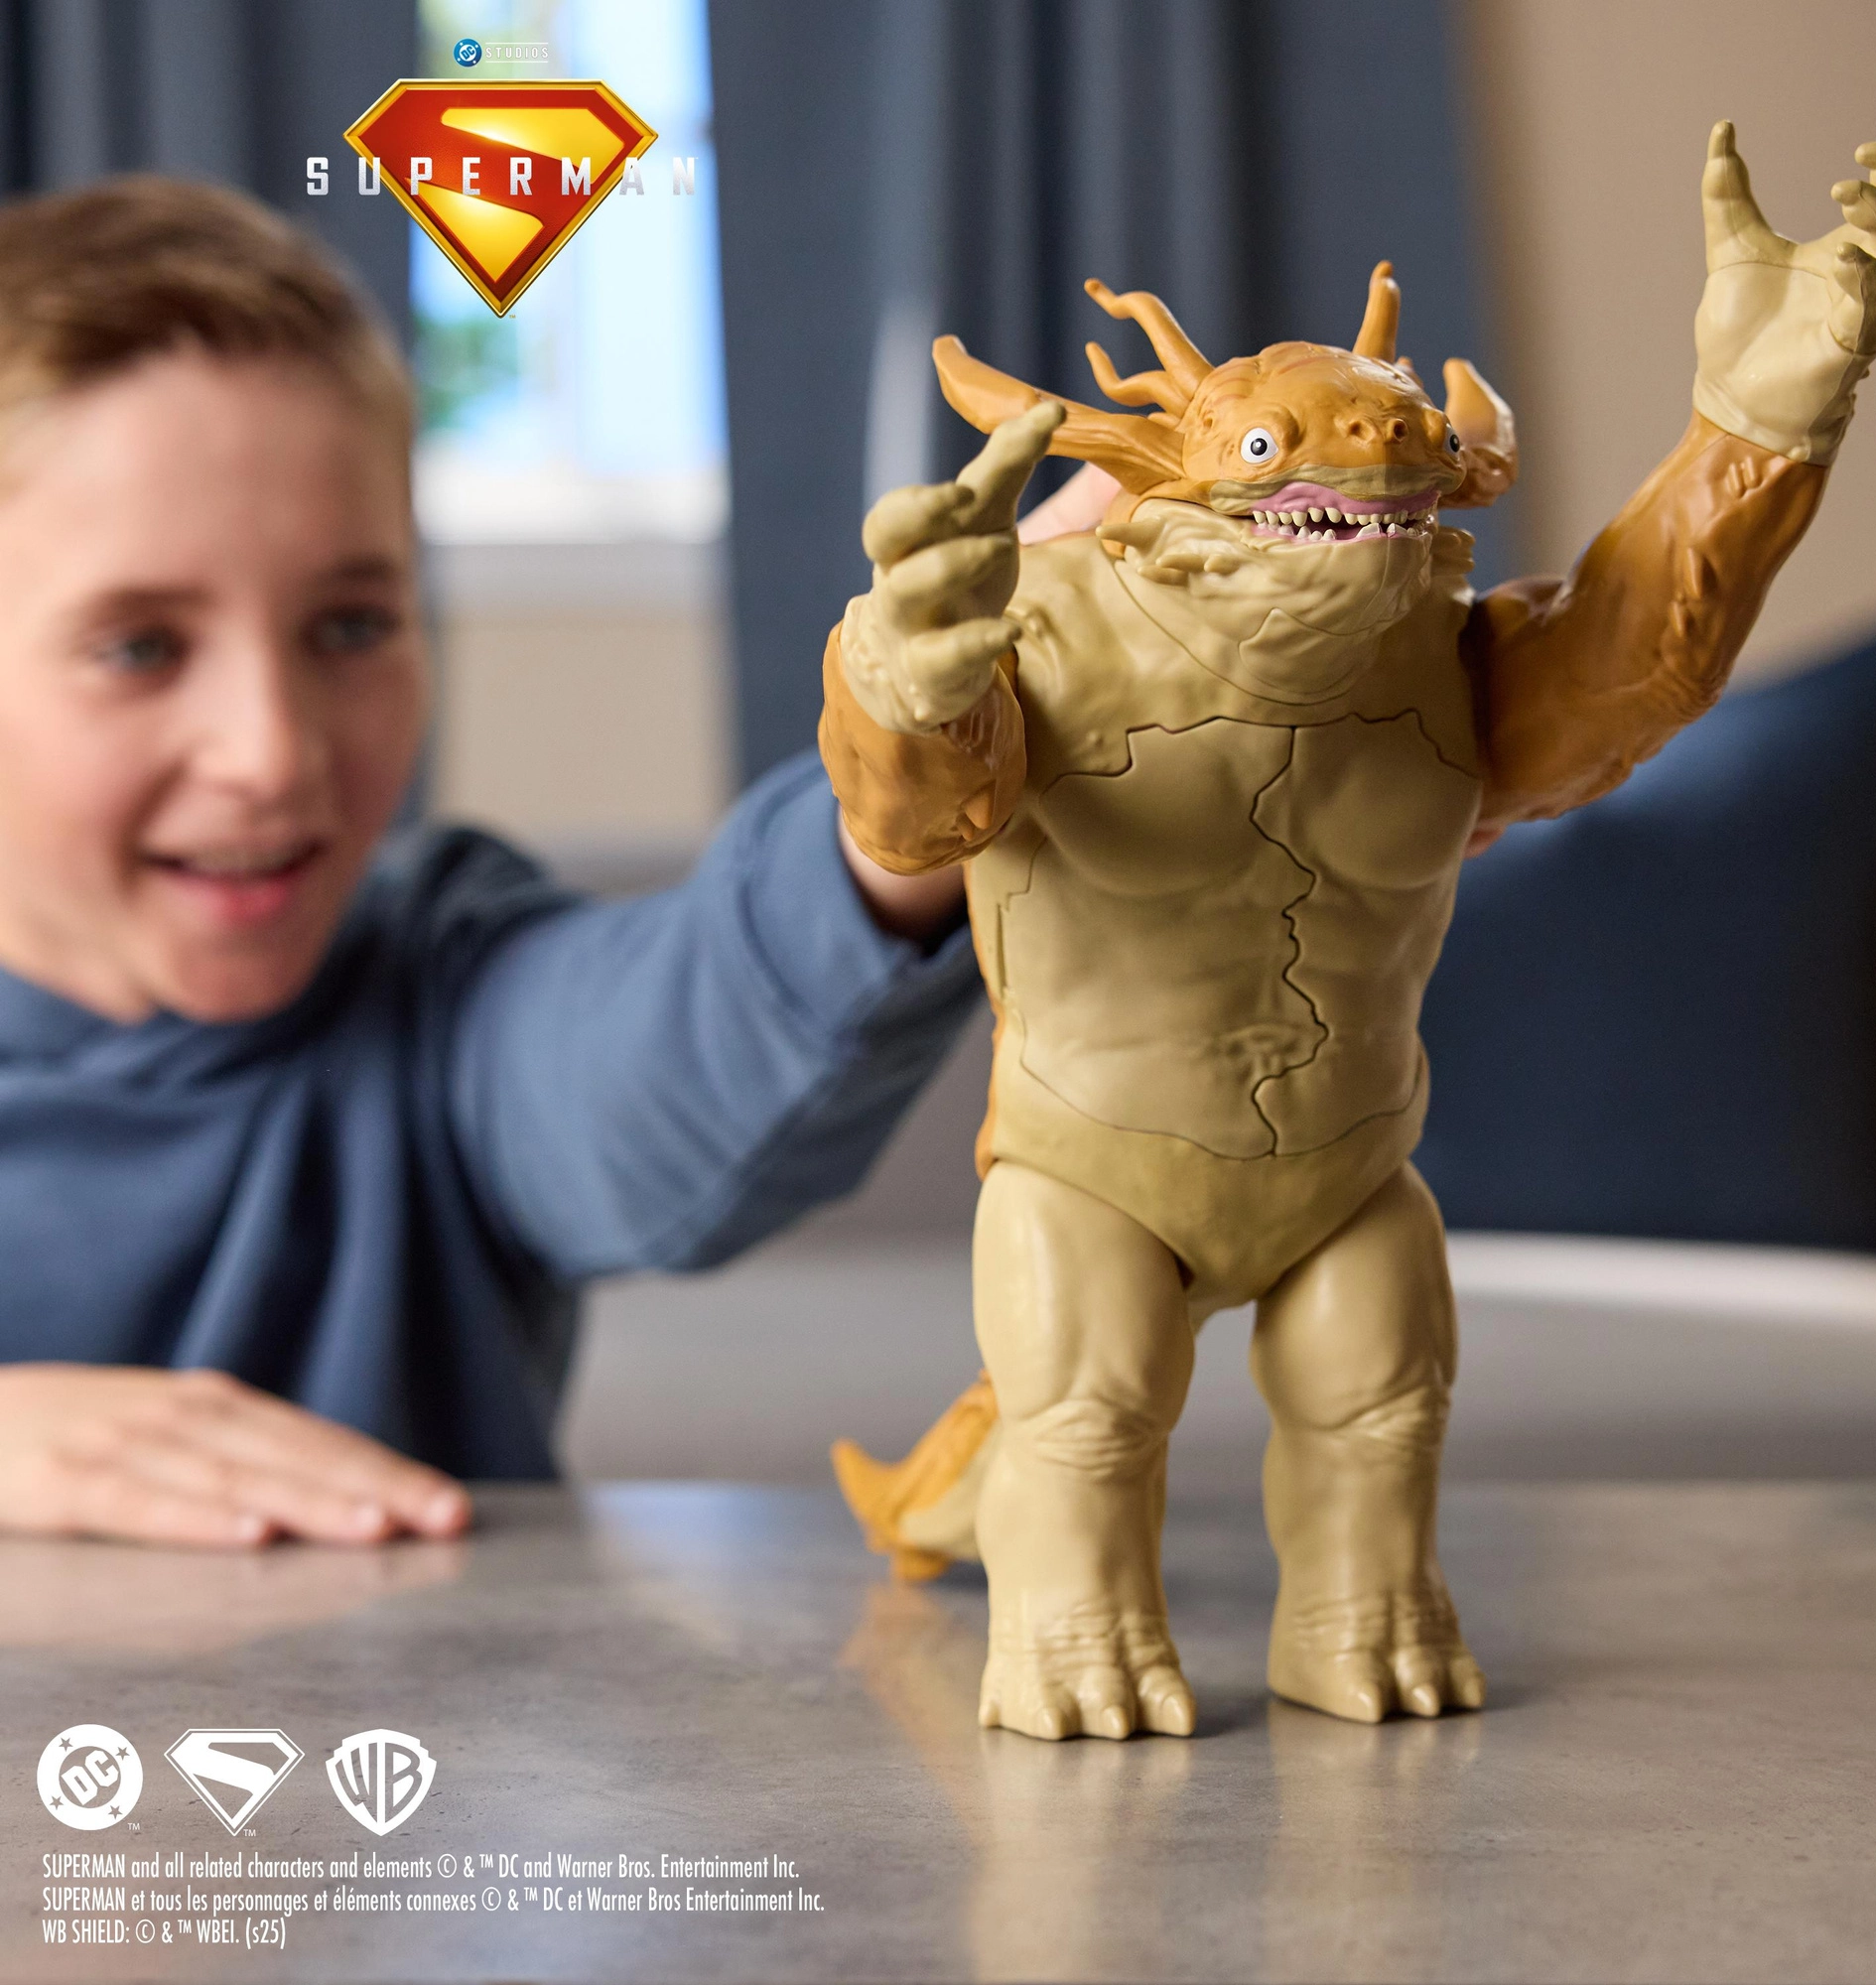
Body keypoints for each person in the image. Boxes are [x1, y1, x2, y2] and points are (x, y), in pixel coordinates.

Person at [0, 177, 1094, 1552]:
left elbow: (660, 1042)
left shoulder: (444, 992)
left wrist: (919, 747)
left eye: (350, 627)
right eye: (139, 648)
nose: (271, 754)